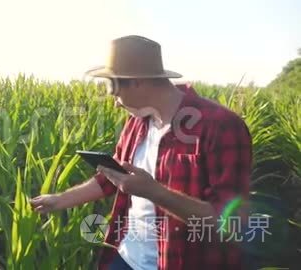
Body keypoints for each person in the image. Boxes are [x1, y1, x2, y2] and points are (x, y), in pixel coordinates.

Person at [29, 35, 253, 270]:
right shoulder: (138, 121)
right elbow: (112, 178)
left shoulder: (220, 126)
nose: (115, 102)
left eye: (115, 93)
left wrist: (155, 192)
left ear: (136, 82)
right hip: (126, 256)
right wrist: (59, 200)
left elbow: (231, 222)